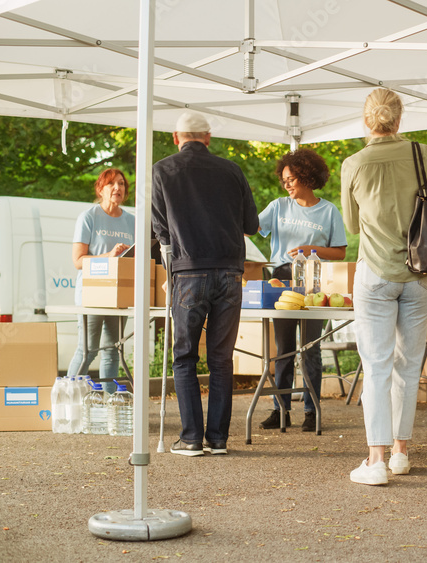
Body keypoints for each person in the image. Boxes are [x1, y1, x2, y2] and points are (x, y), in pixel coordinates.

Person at [341, 88, 427, 485]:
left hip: (376, 272)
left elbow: (352, 226)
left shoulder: (353, 163)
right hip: (421, 272)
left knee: (376, 366)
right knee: (409, 364)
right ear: (399, 120)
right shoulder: (422, 154)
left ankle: (376, 460)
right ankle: (402, 453)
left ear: (366, 121)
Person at [152, 111, 260, 457]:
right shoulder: (232, 170)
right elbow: (252, 224)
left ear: (175, 137)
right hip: (229, 270)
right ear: (208, 138)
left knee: (184, 356)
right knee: (221, 358)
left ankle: (190, 438)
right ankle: (217, 438)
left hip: (188, 270)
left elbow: (160, 230)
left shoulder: (162, 170)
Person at [257, 148, 347, 433]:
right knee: (283, 349)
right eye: (284, 180)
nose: (287, 185)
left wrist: (313, 250)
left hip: (315, 283)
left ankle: (312, 411)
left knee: (310, 349)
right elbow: (250, 228)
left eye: (291, 179)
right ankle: (280, 410)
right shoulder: (278, 206)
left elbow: (340, 252)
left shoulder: (329, 210)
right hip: (281, 279)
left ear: (307, 177)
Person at [67, 168, 135, 381]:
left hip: (119, 296)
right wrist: (110, 255)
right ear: (100, 189)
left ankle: (110, 404)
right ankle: (68, 396)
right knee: (88, 350)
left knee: (112, 351)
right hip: (92, 296)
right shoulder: (89, 217)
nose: (118, 188)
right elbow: (78, 261)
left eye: (122, 183)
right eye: (111, 184)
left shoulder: (132, 221)